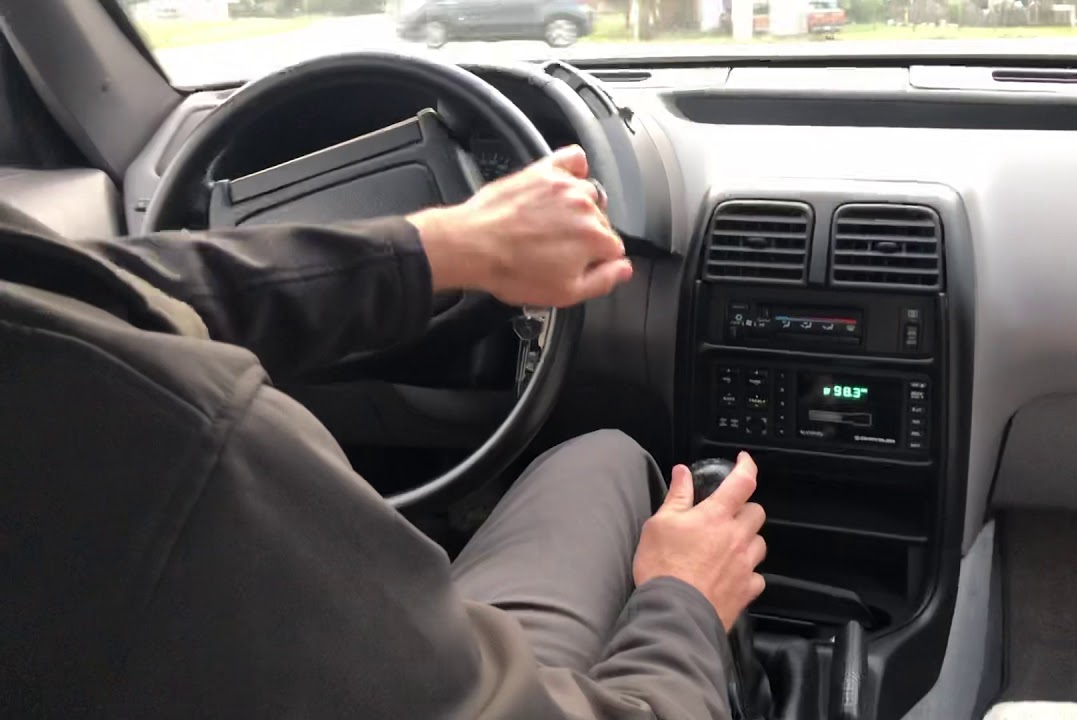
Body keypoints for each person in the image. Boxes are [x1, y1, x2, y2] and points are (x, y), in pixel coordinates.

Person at [0, 145, 768, 719]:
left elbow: (91, 291)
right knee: (608, 459)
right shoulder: (180, 459)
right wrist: (683, 605)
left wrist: (444, 248)